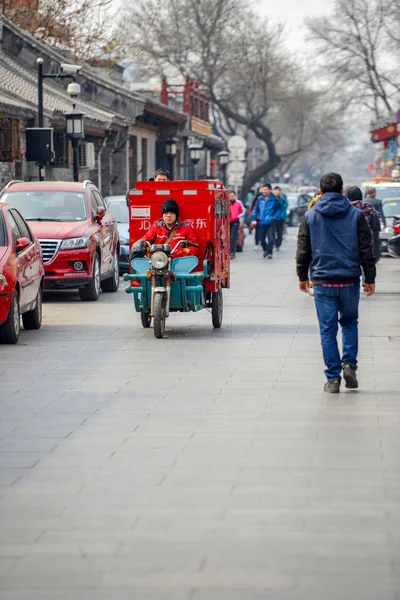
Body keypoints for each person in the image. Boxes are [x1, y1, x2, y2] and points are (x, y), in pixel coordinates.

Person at [296, 172, 376, 394]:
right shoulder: (356, 215)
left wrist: (302, 277)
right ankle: (349, 365)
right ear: (342, 191)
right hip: (349, 279)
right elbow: (366, 249)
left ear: (320, 192)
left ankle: (333, 379)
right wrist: (370, 278)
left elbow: (303, 249)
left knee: (327, 330)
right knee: (349, 323)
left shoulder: (310, 216)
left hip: (323, 281)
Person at [130, 198, 198, 259]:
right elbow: (147, 238)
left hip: (177, 261)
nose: (168, 215)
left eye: (171, 213)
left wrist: (179, 253)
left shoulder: (185, 228)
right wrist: (141, 243)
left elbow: (195, 248)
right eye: (166, 213)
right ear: (162, 215)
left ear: (176, 215)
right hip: (157, 261)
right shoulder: (156, 226)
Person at [347, 186, 381, 263]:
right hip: (367, 237)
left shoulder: (346, 206)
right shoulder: (367, 205)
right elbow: (377, 216)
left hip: (350, 237)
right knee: (367, 260)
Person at [251, 183, 280, 258]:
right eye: (263, 189)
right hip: (261, 220)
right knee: (261, 238)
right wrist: (253, 219)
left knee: (271, 238)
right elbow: (255, 209)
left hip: (271, 221)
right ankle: (266, 249)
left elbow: (279, 209)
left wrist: (275, 216)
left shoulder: (275, 199)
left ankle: (270, 253)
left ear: (270, 190)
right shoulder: (259, 198)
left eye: (265, 189)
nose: (264, 191)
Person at [229, 190, 246, 259]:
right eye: (230, 196)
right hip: (227, 222)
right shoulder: (226, 203)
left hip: (235, 221)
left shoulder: (239, 203)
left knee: (232, 237)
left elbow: (243, 211)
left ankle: (232, 252)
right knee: (227, 238)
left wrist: (237, 216)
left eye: (232, 196)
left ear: (235, 196)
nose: (231, 197)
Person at [273, 186, 288, 250]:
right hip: (273, 218)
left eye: (278, 191)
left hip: (281, 218)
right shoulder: (272, 198)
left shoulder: (283, 198)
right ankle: (274, 243)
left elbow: (285, 206)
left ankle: (278, 244)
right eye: (276, 190)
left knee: (280, 232)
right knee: (273, 231)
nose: (277, 192)